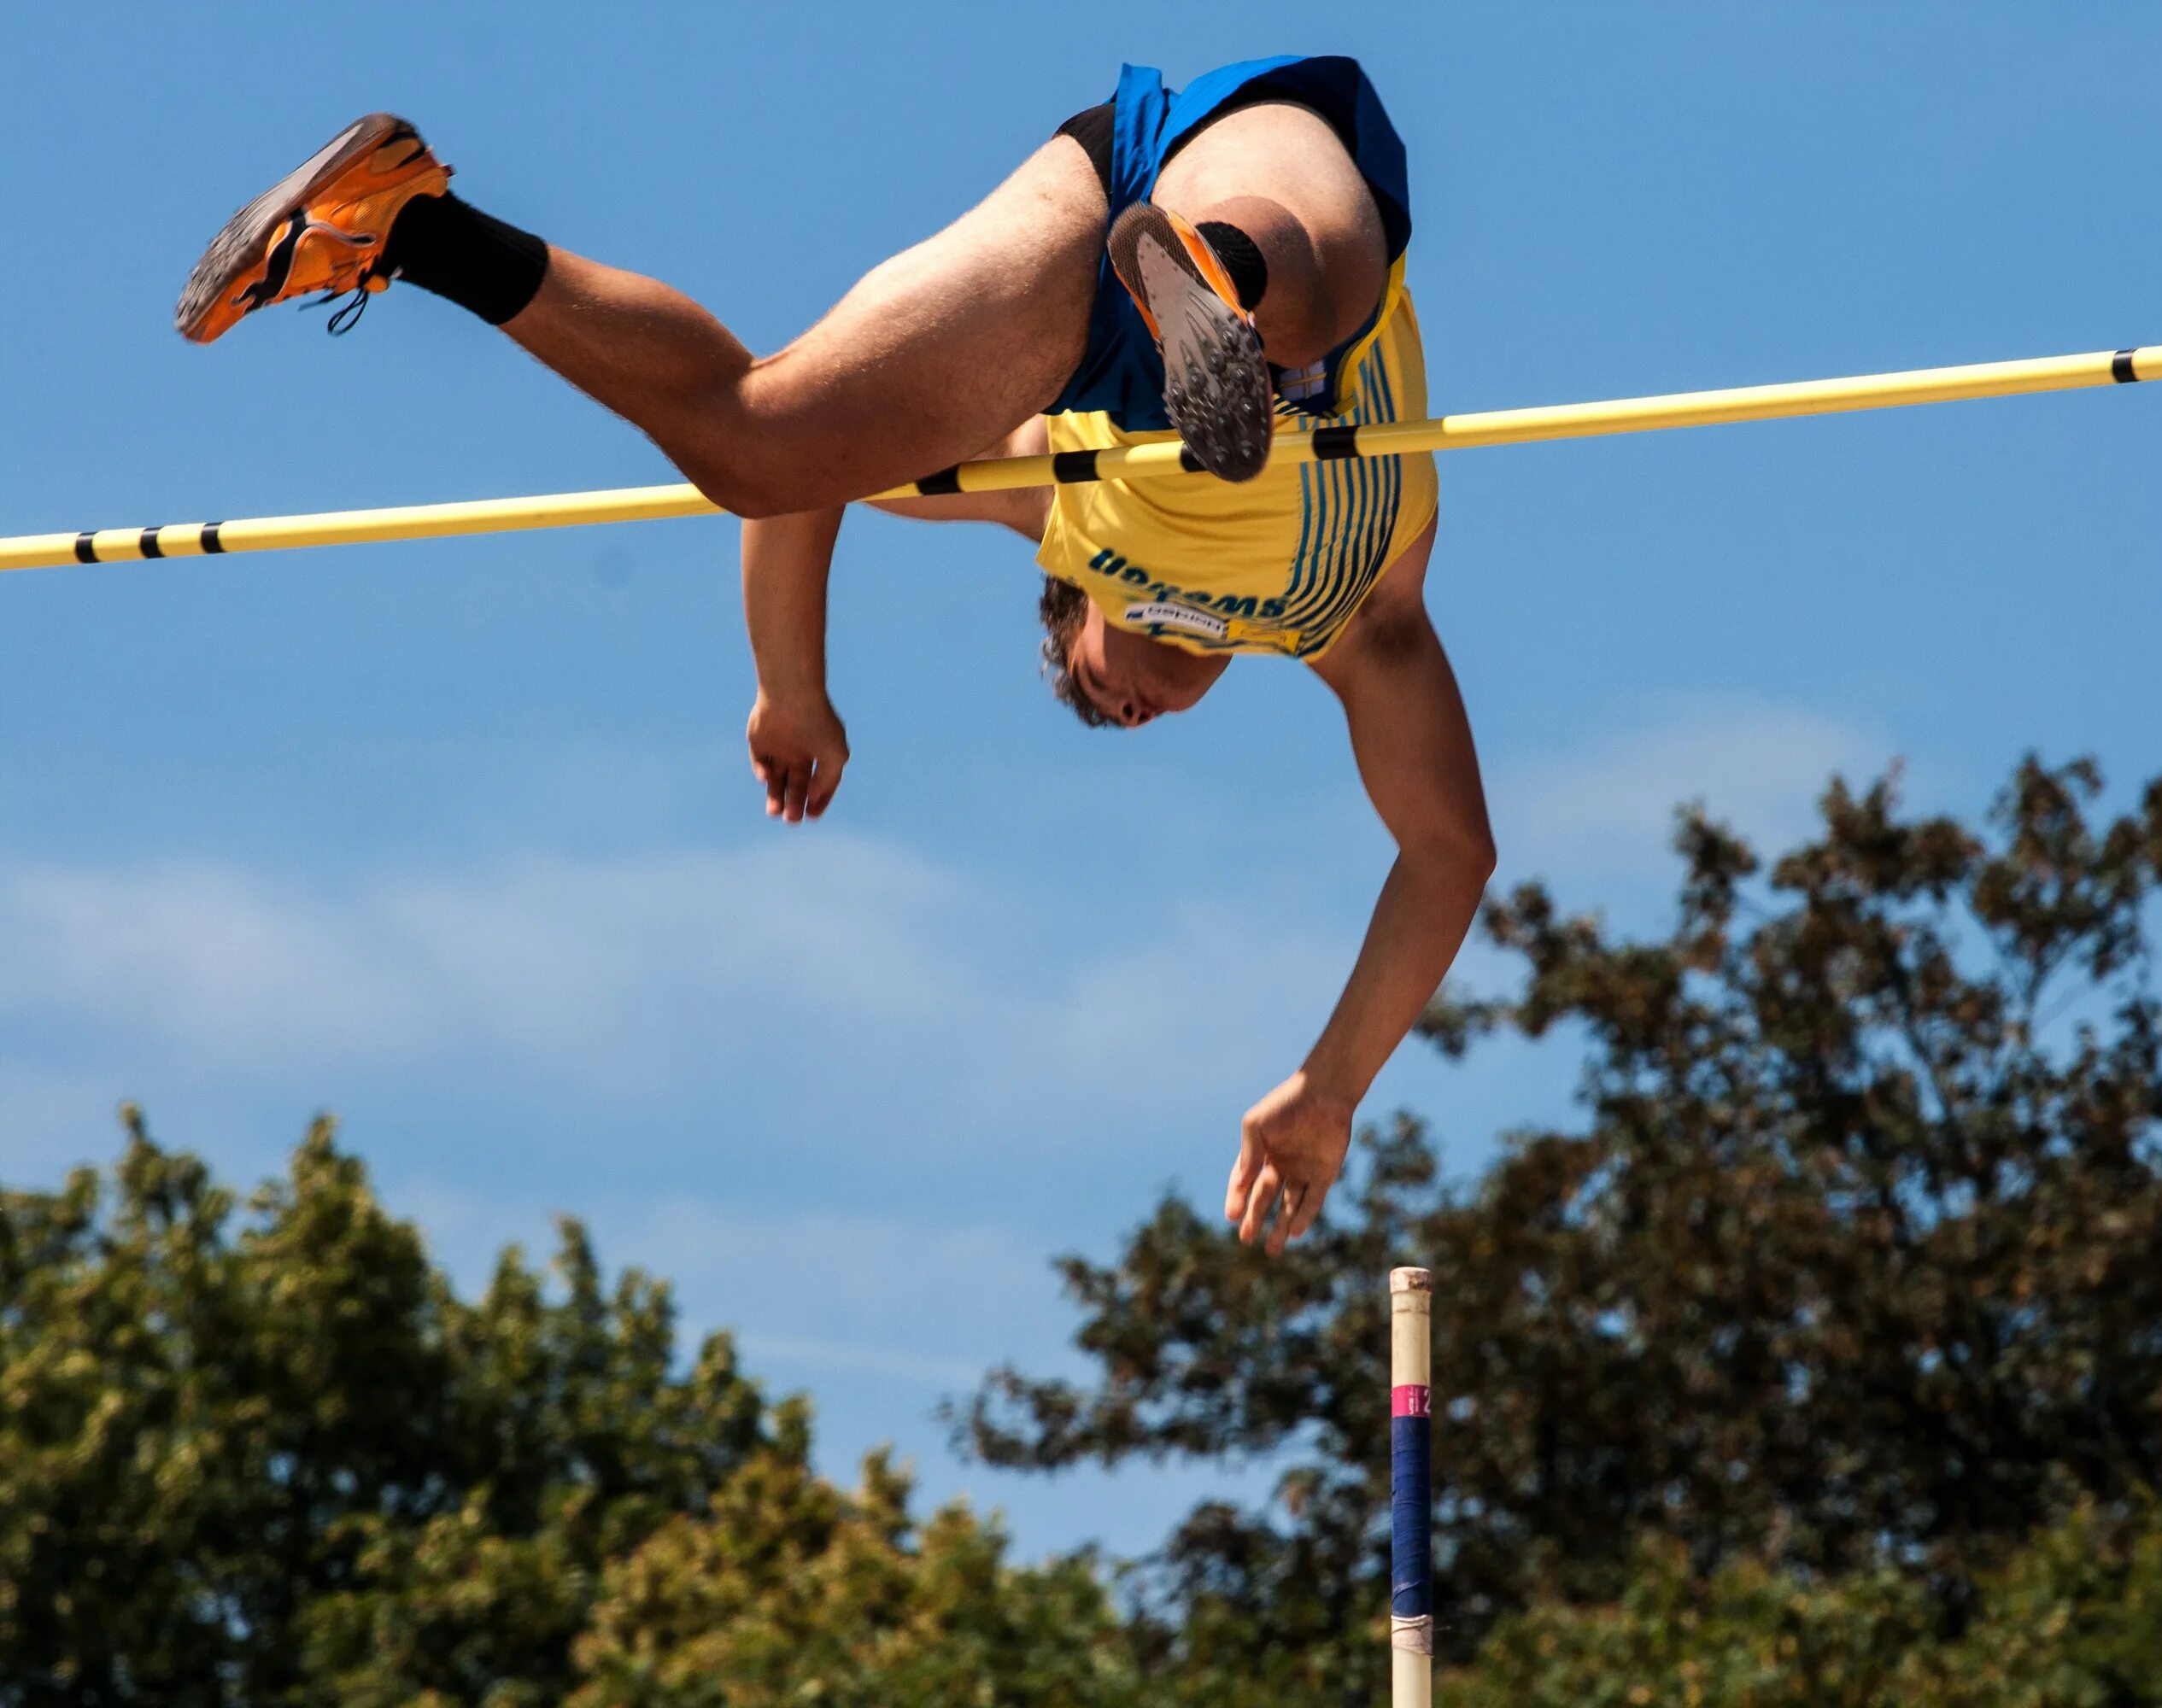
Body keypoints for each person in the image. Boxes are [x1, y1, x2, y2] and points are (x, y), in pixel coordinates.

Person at [177, 56, 1494, 1257]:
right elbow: (1451, 855)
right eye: (1108, 701)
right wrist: (1330, 1093)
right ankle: (1220, 297)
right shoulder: (1335, 616)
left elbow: (805, 497)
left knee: (758, 448)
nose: (1131, 708)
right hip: (1227, 243)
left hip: (1188, 246)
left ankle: (404, 228)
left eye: (1101, 698)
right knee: (1320, 311)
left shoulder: (1094, 519)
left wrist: (791, 688)